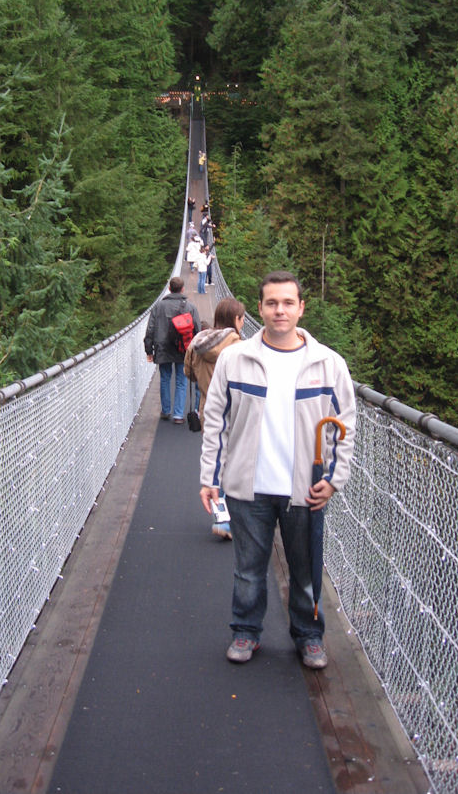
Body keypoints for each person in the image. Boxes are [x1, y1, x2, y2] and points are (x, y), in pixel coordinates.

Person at [199, 271, 356, 669]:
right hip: (246, 487)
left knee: (307, 569)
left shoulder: (328, 364)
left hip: (305, 488)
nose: (280, 310)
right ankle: (246, 632)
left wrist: (334, 481)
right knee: (248, 570)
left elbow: (344, 426)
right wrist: (209, 477)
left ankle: (309, 637)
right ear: (259, 309)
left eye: (288, 303)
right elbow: (215, 417)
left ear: (301, 308)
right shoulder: (236, 358)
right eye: (272, 303)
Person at [184, 298, 246, 540]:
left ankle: (222, 520)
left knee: (215, 466)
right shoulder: (239, 347)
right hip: (235, 413)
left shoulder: (197, 343)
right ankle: (234, 517)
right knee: (235, 465)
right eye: (242, 318)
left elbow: (188, 372)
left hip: (207, 410)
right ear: (237, 320)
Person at [144, 277, 201, 424]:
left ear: (169, 289)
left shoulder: (158, 307)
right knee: (182, 381)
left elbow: (150, 329)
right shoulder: (191, 307)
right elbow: (198, 330)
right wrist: (196, 352)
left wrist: (148, 349)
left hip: (162, 347)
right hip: (183, 348)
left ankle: (165, 410)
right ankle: (178, 415)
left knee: (165, 378)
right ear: (182, 289)